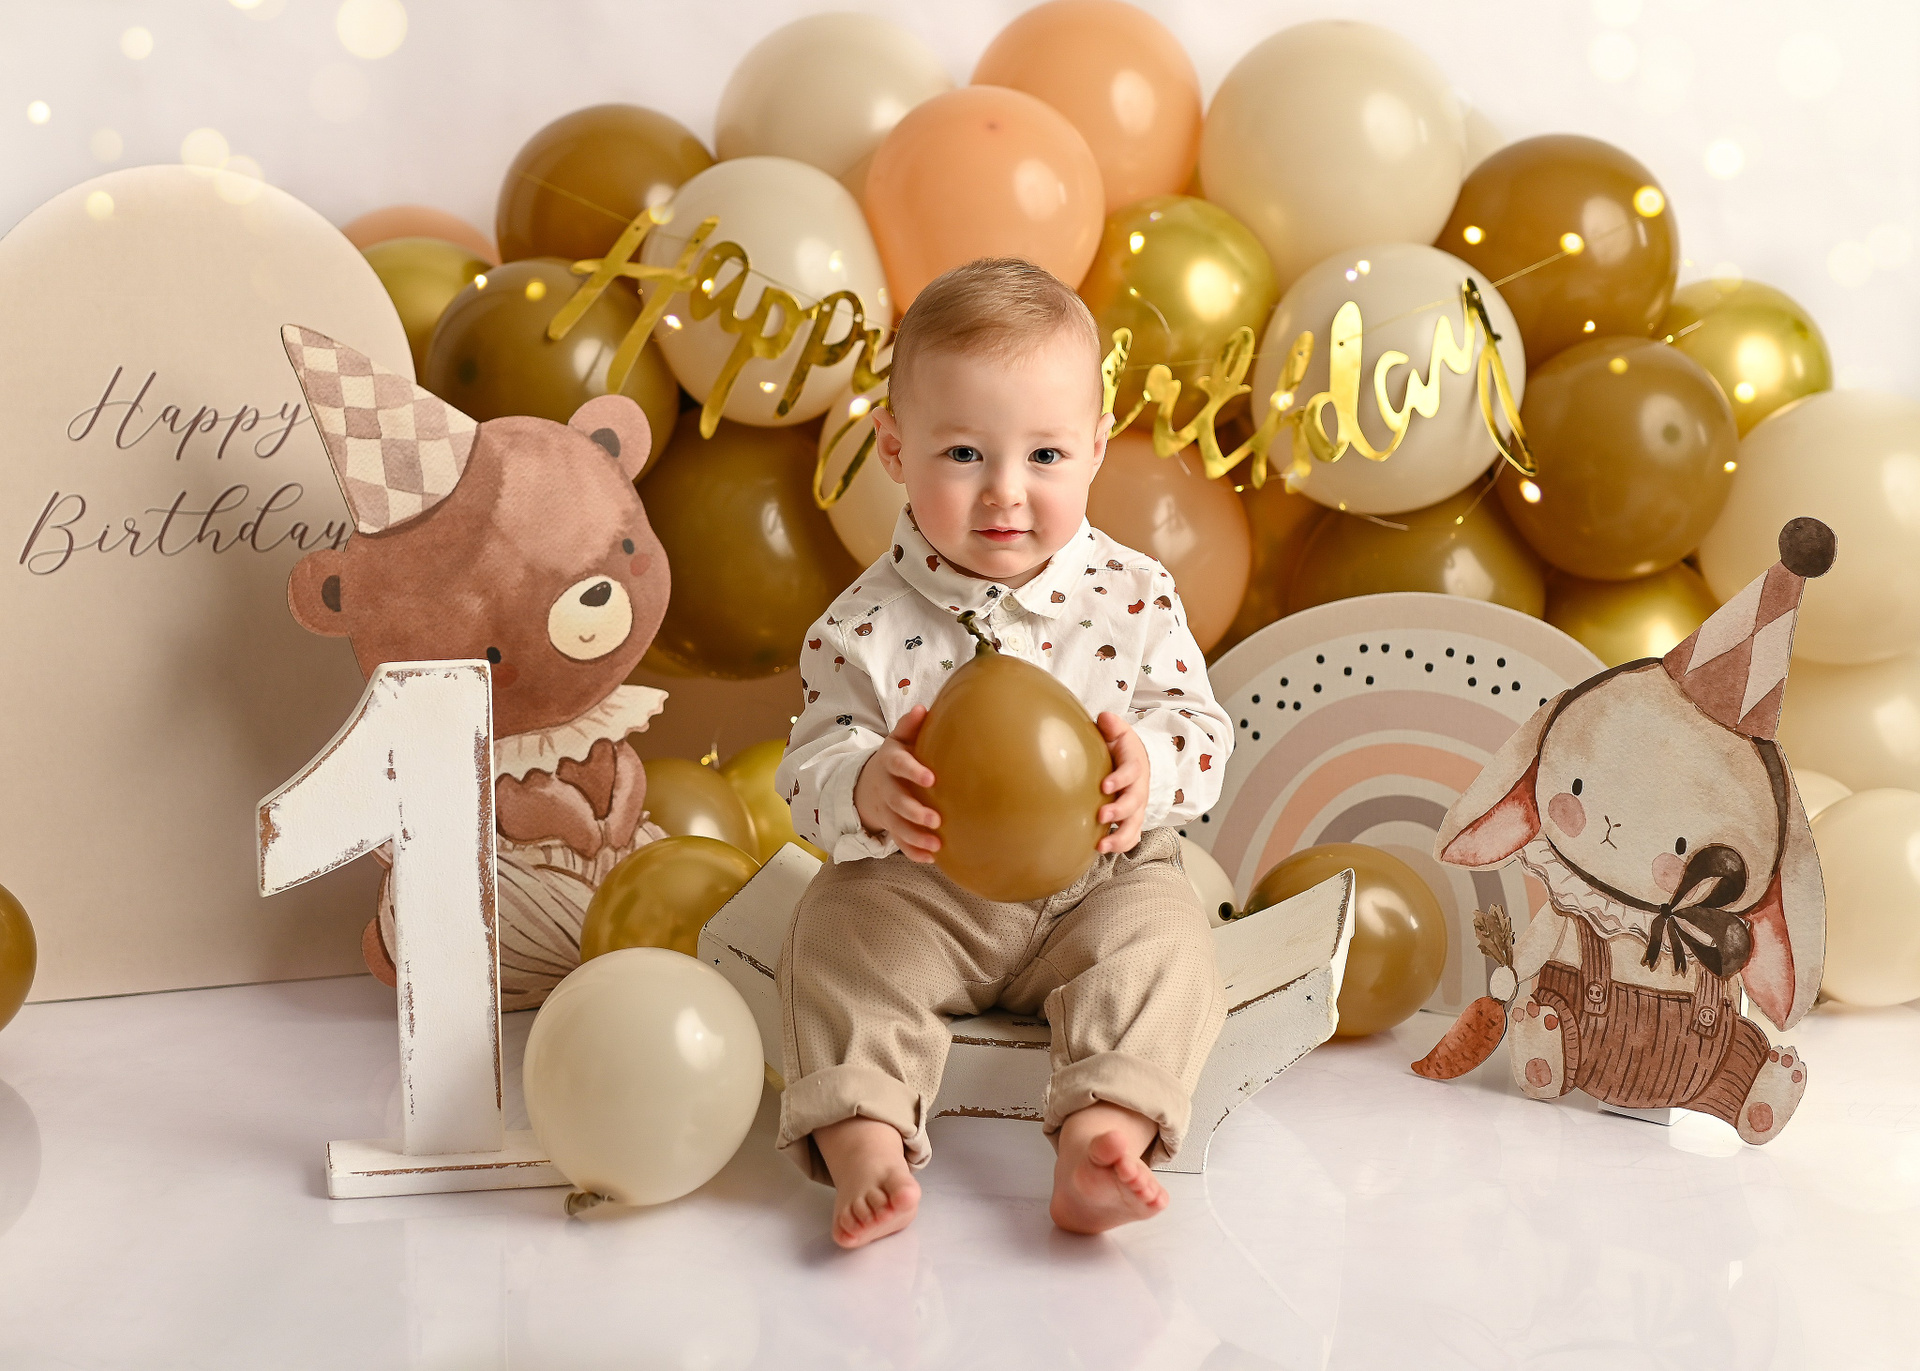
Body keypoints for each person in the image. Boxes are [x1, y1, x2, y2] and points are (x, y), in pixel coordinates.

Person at [774, 257, 1234, 1248]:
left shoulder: (1134, 595)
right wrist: (863, 783)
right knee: (834, 934)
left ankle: (1104, 1138)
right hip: (926, 889)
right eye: (963, 454)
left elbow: (1201, 733)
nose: (1005, 494)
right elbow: (806, 769)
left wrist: (1149, 769)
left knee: (1168, 936)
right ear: (894, 449)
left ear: (1097, 448)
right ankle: (864, 1138)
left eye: (1046, 456)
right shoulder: (863, 625)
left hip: (1096, 882)